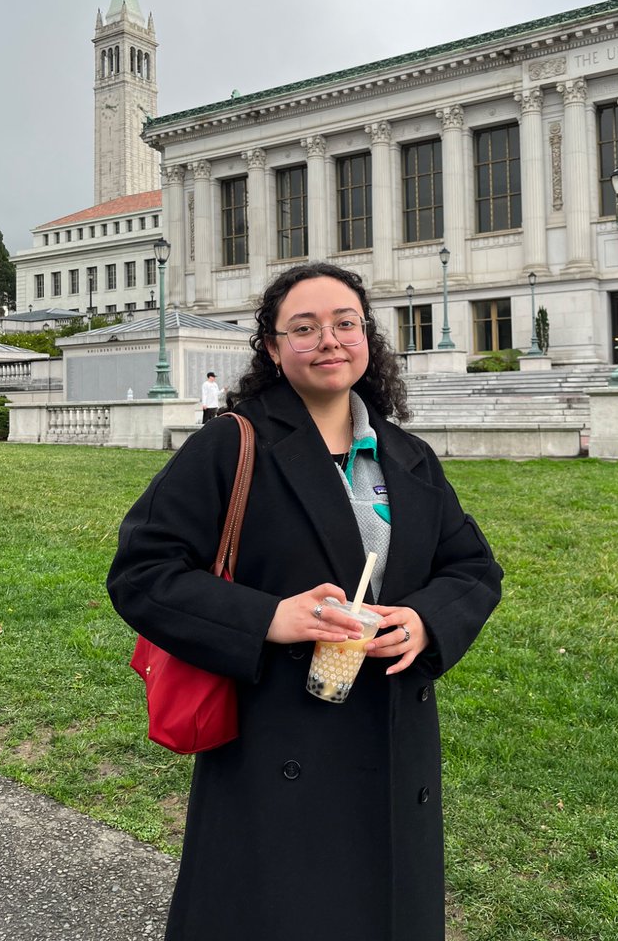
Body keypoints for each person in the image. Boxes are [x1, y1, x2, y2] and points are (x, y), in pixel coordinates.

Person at [108, 262, 503, 941]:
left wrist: (425, 621)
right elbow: (142, 571)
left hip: (391, 738)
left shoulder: (406, 455)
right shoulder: (232, 445)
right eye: (305, 327)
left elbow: (472, 568)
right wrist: (268, 618)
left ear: (367, 338)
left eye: (345, 323)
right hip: (277, 741)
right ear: (271, 347)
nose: (330, 340)